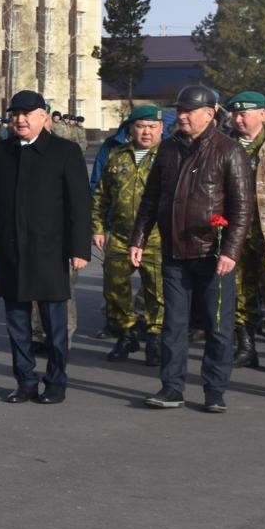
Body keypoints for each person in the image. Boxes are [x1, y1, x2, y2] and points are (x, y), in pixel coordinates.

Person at [131, 85, 252, 412]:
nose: (181, 116)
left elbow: (242, 208)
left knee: (217, 325)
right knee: (174, 323)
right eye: (179, 110)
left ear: (209, 114)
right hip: (174, 251)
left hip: (213, 255)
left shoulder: (229, 151)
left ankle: (215, 390)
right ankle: (171, 388)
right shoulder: (168, 149)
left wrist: (230, 251)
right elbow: (150, 199)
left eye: (188, 111)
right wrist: (138, 238)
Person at [0, 90, 90, 405]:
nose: (20, 120)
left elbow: (79, 205)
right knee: (17, 323)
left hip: (50, 251)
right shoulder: (1, 152)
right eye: (16, 114)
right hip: (11, 251)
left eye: (28, 114)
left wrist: (80, 249)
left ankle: (56, 381)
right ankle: (24, 381)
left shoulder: (65, 151)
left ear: (43, 117)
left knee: (54, 325)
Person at [91, 105, 165, 365]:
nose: (146, 132)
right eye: (141, 126)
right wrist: (98, 227)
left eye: (152, 127)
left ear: (161, 129)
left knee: (157, 291)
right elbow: (101, 195)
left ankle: (154, 340)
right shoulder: (117, 156)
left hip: (156, 237)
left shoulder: (169, 156)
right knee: (114, 289)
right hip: (121, 235)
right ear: (131, 129)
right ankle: (126, 334)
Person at [222, 91, 265, 370]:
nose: (239, 119)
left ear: (262, 113)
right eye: (235, 114)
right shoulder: (224, 145)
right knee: (240, 291)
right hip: (237, 232)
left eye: (244, 113)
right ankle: (246, 347)